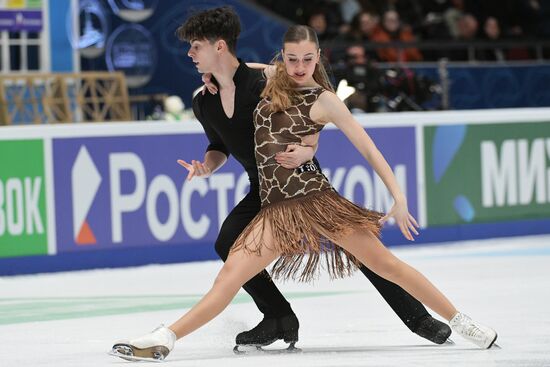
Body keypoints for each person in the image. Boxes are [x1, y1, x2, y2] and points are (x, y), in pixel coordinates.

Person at [110, 13, 498, 363]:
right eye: (290, 59)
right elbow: (246, 75)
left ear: (318, 57)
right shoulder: (266, 82)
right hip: (275, 208)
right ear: (282, 58)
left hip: (316, 198)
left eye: (307, 59)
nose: (298, 67)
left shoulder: (325, 99)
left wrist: (397, 196)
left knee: (386, 264)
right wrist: (215, 78)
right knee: (227, 276)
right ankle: (166, 337)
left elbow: (368, 147)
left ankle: (463, 323)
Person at [176, 6, 450, 348]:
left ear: (219, 47)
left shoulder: (266, 81)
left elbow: (314, 96)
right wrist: (207, 166)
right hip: (262, 189)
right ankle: (278, 317)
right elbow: (218, 145)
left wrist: (310, 145)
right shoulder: (204, 101)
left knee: (359, 249)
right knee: (226, 241)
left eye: (195, 45)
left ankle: (419, 317)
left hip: (301, 180)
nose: (189, 53)